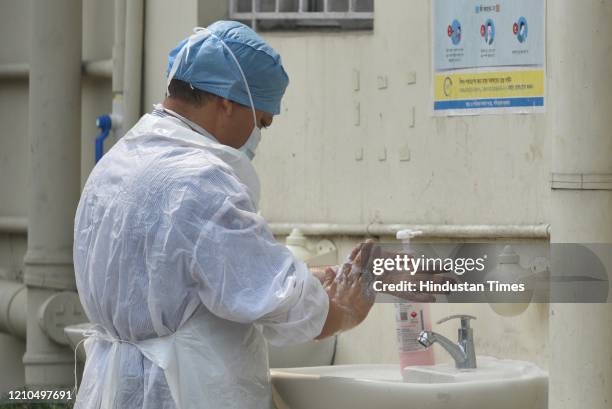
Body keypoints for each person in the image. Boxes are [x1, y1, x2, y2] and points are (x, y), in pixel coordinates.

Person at [73, 21, 373, 409]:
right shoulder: (203, 182)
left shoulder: (116, 164)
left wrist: (301, 277)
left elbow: (179, 279)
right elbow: (286, 307)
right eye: (262, 120)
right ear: (227, 101)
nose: (259, 135)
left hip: (112, 390)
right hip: (186, 391)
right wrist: (347, 310)